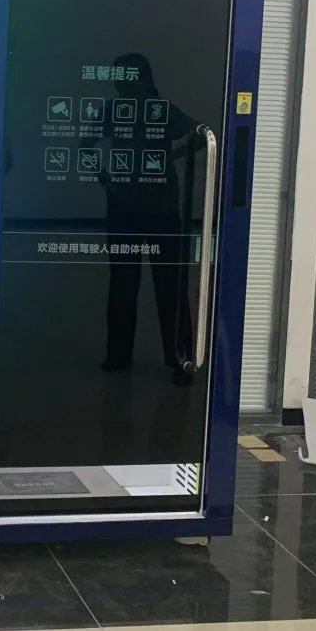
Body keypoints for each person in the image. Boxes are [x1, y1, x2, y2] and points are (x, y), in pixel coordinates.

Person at [100, 54, 199, 384]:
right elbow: (85, 144)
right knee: (129, 284)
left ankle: (173, 358)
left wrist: (172, 156)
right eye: (117, 78)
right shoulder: (118, 108)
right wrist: (107, 180)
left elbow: (200, 135)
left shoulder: (160, 109)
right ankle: (140, 356)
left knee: (162, 285)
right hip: (139, 206)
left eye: (124, 77)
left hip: (155, 207)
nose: (119, 83)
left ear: (142, 78)